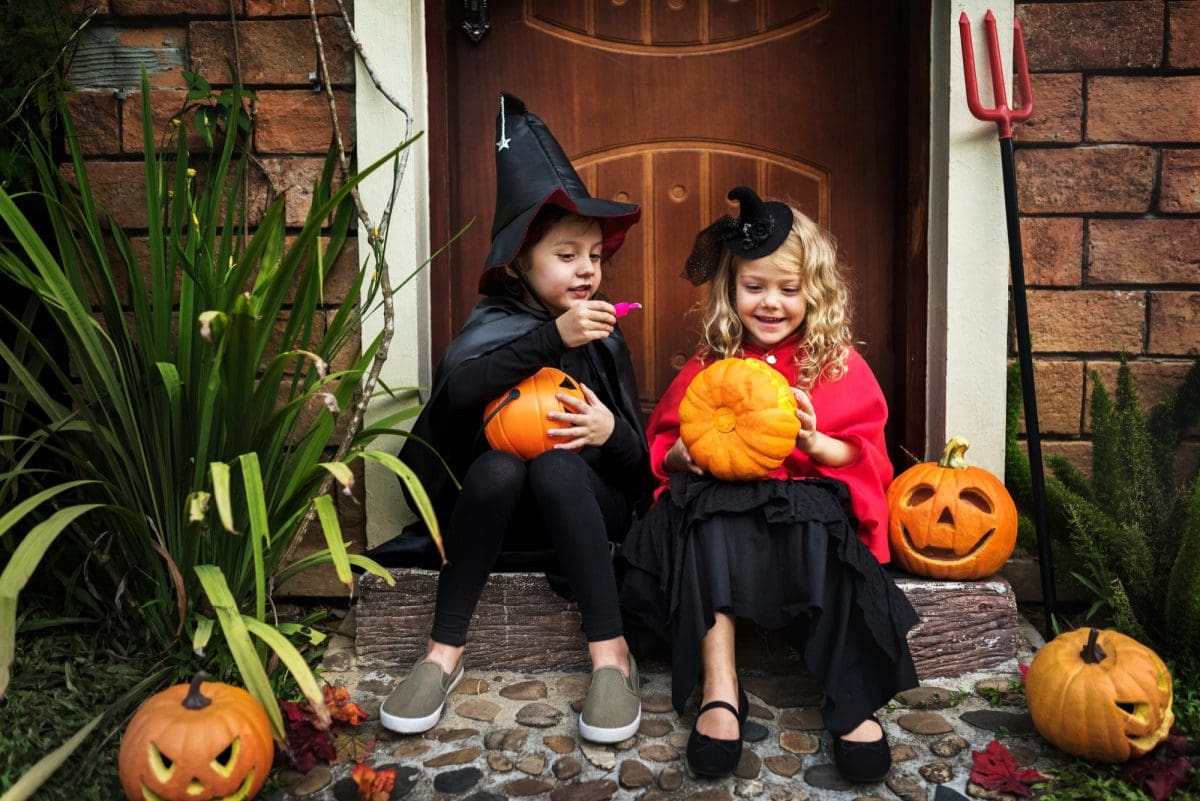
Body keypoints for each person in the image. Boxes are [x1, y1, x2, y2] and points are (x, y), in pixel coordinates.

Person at [378, 93, 652, 743]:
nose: (587, 268)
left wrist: (611, 433)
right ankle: (443, 652)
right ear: (520, 260)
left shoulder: (606, 337)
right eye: (566, 254)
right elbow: (463, 387)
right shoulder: (496, 329)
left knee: (558, 466)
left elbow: (639, 473)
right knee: (499, 464)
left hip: (581, 511)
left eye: (594, 255)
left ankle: (611, 656)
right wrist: (553, 336)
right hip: (494, 518)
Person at [620, 187, 919, 782]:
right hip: (725, 512)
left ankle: (849, 691)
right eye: (755, 287)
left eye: (789, 289)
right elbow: (666, 446)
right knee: (704, 513)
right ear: (732, 290)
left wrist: (813, 443)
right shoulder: (712, 363)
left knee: (820, 522)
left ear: (816, 291)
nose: (772, 303)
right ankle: (721, 684)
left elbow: (866, 455)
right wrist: (680, 455)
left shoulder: (834, 363)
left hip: (804, 508)